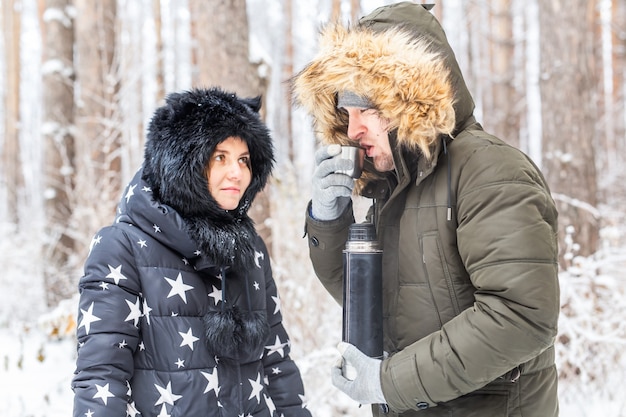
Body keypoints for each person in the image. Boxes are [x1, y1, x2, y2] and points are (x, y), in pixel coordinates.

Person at [292, 2, 560, 416]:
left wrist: (388, 383)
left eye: (369, 110)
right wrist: (328, 220)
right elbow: (364, 299)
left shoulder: (489, 171)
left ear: (410, 100)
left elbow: (521, 315)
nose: (353, 129)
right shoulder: (395, 188)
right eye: (347, 113)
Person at [72, 87, 312, 417]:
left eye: (243, 160)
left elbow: (276, 361)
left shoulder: (250, 248)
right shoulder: (121, 247)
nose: (236, 172)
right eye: (220, 157)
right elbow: (102, 377)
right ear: (183, 165)